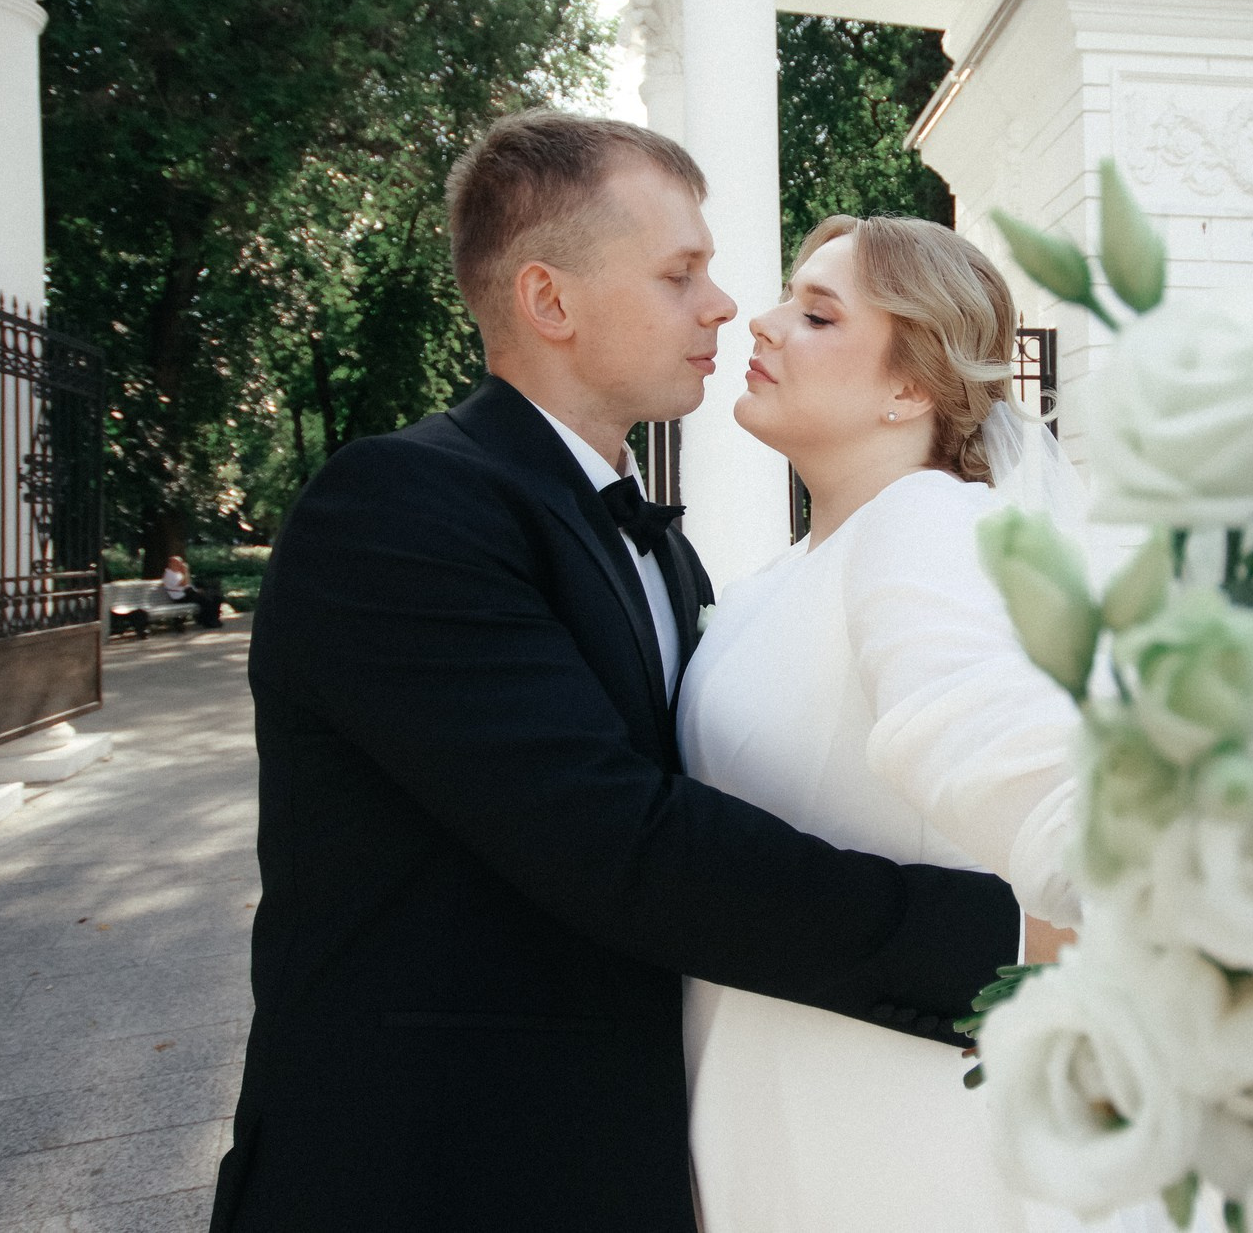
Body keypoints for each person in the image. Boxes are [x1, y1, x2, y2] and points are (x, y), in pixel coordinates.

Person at [212, 112, 1021, 1232]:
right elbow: (614, 838)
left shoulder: (665, 551)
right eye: (681, 272)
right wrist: (1006, 941)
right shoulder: (400, 506)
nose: (726, 307)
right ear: (551, 302)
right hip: (430, 1167)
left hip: (628, 1153)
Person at [683, 215, 1149, 1233]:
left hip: (889, 1120)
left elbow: (985, 735)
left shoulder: (925, 521)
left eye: (817, 314)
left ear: (910, 389)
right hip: (785, 1086)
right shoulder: (781, 575)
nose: (764, 323)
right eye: (788, 298)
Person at [162, 554, 222, 628]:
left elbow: (188, 583)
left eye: (180, 563)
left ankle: (213, 619)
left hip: (187, 593)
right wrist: (185, 572)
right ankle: (208, 622)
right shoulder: (169, 574)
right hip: (180, 596)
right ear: (170, 564)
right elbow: (183, 584)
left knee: (216, 597)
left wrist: (196, 590)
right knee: (206, 600)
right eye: (177, 563)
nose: (180, 565)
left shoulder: (178, 573)